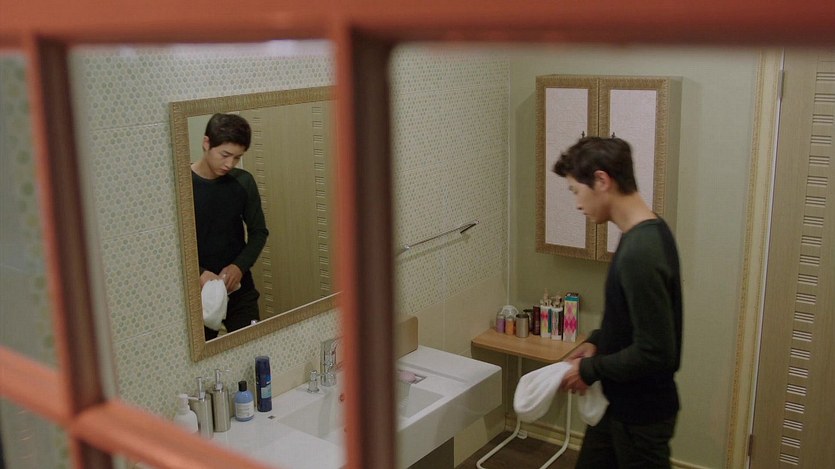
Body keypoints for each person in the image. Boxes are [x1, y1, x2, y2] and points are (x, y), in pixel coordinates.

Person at [554, 137, 683, 468]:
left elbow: (656, 352)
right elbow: (632, 321)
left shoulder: (641, 251)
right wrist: (598, 341)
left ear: (601, 180)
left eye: (576, 191)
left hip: (641, 416)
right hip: (619, 405)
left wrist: (590, 370)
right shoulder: (647, 231)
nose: (577, 204)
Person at [191, 113, 269, 341]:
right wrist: (198, 273)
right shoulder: (183, 185)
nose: (229, 164)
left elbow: (259, 232)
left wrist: (239, 266)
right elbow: (168, 246)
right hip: (197, 291)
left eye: (237, 157)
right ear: (207, 143)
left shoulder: (243, 181)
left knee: (252, 347)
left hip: (239, 286)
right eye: (225, 155)